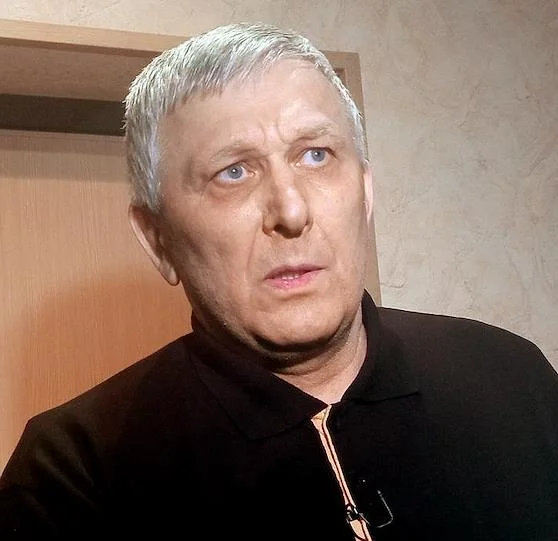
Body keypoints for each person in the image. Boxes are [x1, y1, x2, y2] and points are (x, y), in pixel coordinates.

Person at [1, 22, 557, 541]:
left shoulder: (515, 377)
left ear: (366, 195)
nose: (291, 211)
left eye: (316, 155)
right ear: (157, 240)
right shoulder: (70, 475)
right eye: (233, 172)